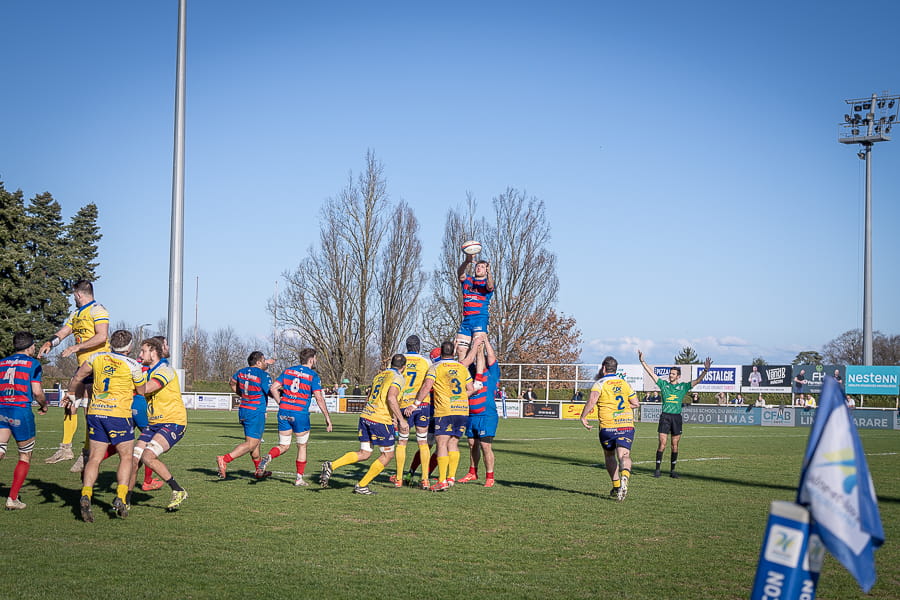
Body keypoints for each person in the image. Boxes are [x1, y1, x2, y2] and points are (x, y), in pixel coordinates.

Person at [68, 329, 144, 521]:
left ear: (111, 343)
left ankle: (86, 494)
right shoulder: (133, 365)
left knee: (94, 458)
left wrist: (71, 394)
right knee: (126, 457)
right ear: (129, 347)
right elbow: (142, 391)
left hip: (96, 413)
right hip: (118, 415)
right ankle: (121, 497)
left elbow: (78, 377)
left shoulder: (96, 357)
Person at [38, 280, 109, 468]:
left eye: (73, 295)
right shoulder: (76, 313)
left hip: (98, 364)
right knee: (70, 403)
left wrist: (76, 347)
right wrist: (50, 342)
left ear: (78, 294)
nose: (73, 299)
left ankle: (86, 454)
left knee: (89, 409)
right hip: (82, 366)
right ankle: (65, 449)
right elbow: (64, 332)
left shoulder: (98, 310)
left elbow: (102, 336)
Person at [319, 354, 409, 495]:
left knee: (364, 453)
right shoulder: (398, 377)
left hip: (366, 415)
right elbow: (391, 397)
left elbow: (370, 397)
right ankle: (362, 485)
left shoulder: (379, 376)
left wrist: (392, 416)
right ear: (403, 367)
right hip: (380, 419)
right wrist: (401, 420)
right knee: (388, 455)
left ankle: (332, 465)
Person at [256, 348, 333, 486]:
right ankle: (299, 479)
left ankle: (268, 457)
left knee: (284, 445)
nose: (316, 361)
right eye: (315, 358)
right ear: (311, 359)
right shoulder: (313, 375)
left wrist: (281, 403)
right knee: (302, 446)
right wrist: (327, 417)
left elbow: (273, 388)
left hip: (284, 411)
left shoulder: (288, 371)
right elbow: (319, 398)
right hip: (300, 413)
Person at [128, 336, 189, 511]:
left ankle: (178, 490)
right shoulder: (147, 372)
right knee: (133, 460)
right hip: (154, 423)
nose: (140, 354)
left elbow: (146, 388)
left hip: (173, 422)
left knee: (147, 457)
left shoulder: (165, 370)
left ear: (153, 352)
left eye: (143, 351)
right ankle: (125, 501)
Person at [638, 351, 712, 479]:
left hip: (676, 418)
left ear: (678, 376)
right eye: (670, 373)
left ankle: (672, 471)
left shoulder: (683, 387)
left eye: (673, 374)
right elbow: (651, 374)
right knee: (662, 443)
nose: (670, 375)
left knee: (675, 445)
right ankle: (657, 470)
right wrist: (642, 361)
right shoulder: (663, 384)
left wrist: (705, 370)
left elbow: (697, 381)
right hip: (665, 417)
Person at [413, 341, 475, 492]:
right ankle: (451, 478)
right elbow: (471, 389)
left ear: (441, 352)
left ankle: (442, 481)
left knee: (441, 444)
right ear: (453, 353)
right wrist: (458, 398)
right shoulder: (462, 368)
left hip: (445, 410)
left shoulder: (436, 367)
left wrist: (415, 404)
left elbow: (426, 387)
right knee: (453, 443)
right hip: (462, 410)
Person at [580, 356, 639, 501]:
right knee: (624, 455)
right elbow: (635, 403)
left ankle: (617, 485)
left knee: (609, 455)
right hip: (626, 424)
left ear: (603, 368)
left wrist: (583, 416)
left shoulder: (600, 383)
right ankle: (625, 476)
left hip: (608, 426)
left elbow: (592, 400)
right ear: (616, 369)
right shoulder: (625, 383)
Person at [0, 332, 49, 510]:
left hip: (2, 409)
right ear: (30, 346)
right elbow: (37, 391)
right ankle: (12, 498)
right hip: (20, 411)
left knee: (0, 450)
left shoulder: (2, 363)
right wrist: (44, 405)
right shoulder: (33, 363)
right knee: (25, 455)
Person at [217, 351, 275, 480]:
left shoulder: (241, 372)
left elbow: (232, 383)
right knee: (251, 444)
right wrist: (284, 394)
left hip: (244, 409)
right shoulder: (263, 375)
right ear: (258, 362)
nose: (265, 363)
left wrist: (242, 394)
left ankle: (259, 470)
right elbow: (271, 392)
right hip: (256, 411)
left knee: (255, 443)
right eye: (264, 360)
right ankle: (225, 459)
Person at [458, 334, 500, 488]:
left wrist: (485, 341)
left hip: (487, 415)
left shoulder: (492, 372)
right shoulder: (472, 373)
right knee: (471, 444)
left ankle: (490, 476)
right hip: (471, 415)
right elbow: (465, 360)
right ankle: (472, 472)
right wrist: (468, 345)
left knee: (485, 446)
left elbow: (491, 357)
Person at [392, 335, 431, 488]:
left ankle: (399, 479)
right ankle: (425, 479)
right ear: (418, 347)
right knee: (423, 442)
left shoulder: (400, 360)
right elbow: (429, 383)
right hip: (422, 405)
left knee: (402, 442)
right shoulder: (426, 361)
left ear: (406, 346)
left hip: (403, 405)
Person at [455, 252, 494, 357]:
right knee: (460, 349)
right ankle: (465, 368)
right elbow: (460, 273)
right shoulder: (468, 280)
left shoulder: (486, 282)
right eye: (477, 266)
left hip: (480, 319)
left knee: (479, 348)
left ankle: (480, 369)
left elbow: (490, 286)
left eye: (482, 267)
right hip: (467, 320)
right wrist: (467, 261)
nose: (479, 268)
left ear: (486, 270)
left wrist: (489, 273)